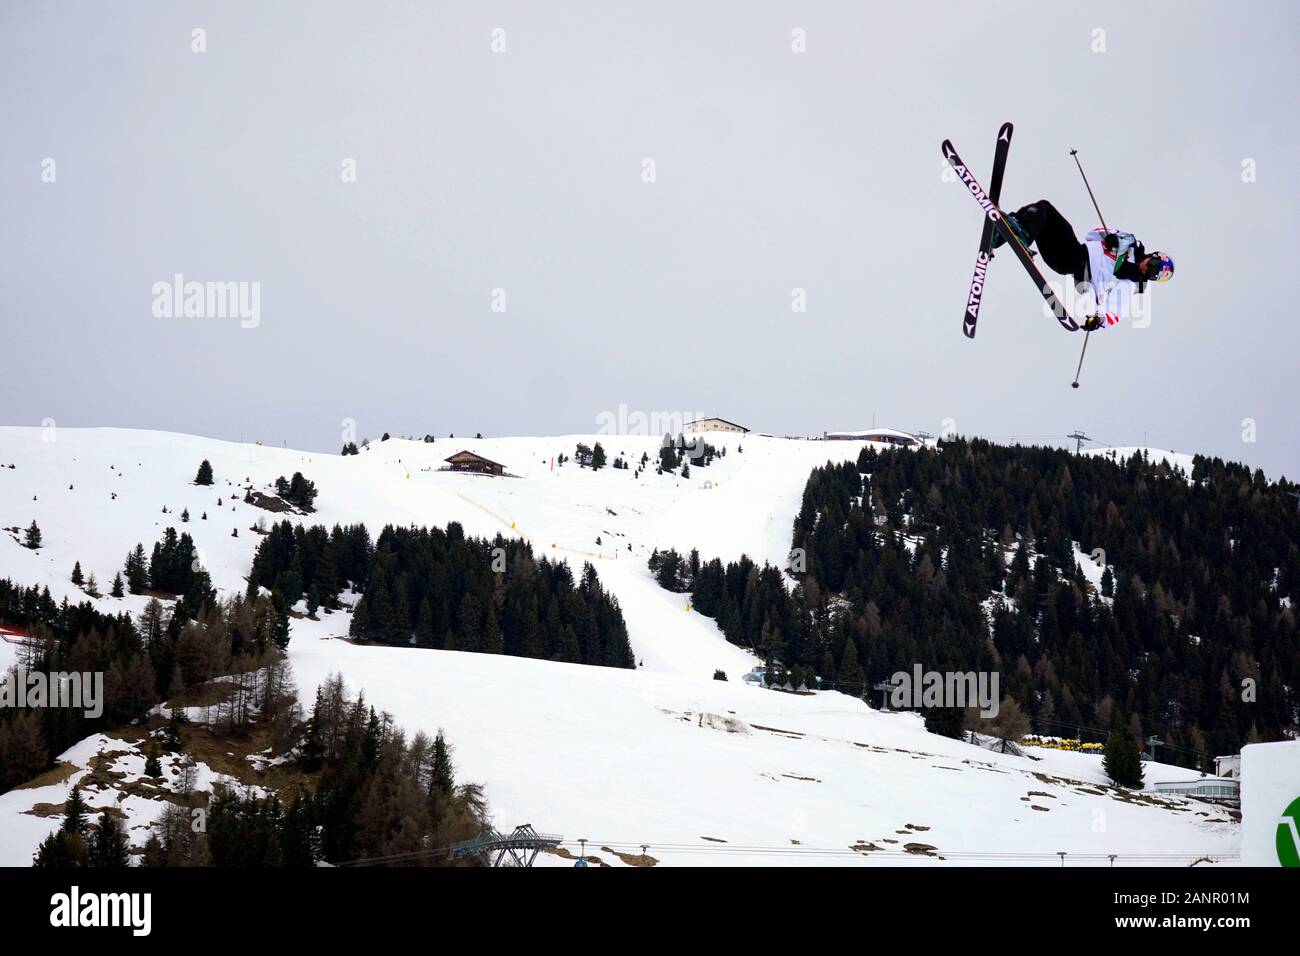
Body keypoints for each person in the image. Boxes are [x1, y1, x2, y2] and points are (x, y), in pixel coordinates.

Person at [993, 199, 1174, 330]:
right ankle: (1005, 230)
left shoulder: (1131, 282)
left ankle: (1020, 233)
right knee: (1042, 209)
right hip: (1073, 251)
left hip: (1074, 263)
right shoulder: (1129, 242)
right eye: (1153, 264)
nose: (1147, 269)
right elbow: (1093, 234)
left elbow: (1115, 307)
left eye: (1152, 274)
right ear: (1153, 255)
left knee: (1044, 212)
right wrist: (1110, 238)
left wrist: (1098, 319)